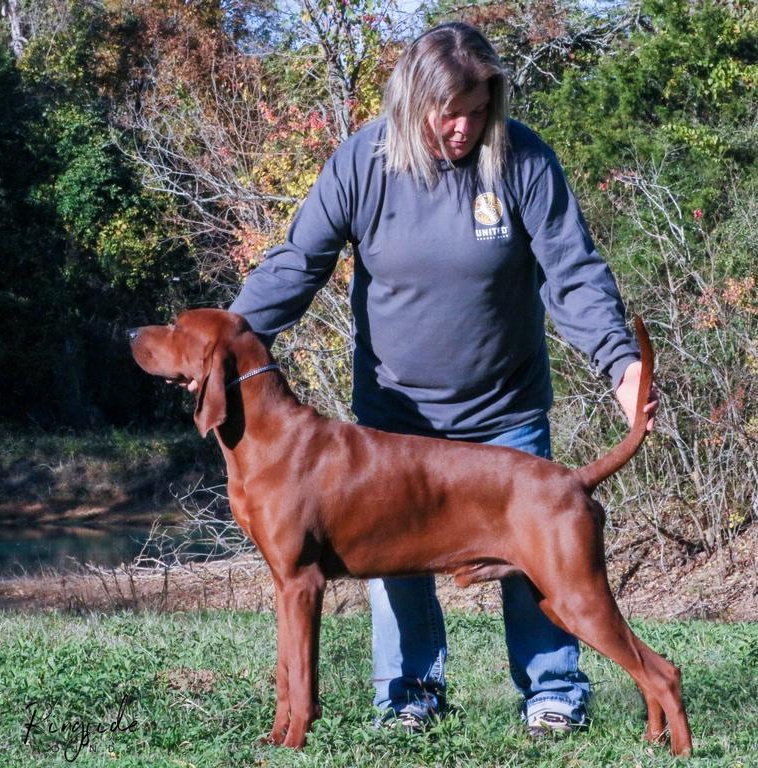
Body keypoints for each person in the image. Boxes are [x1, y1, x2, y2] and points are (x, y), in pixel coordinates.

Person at [229, 21, 656, 737]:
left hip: (503, 407)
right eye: (448, 112)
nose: (463, 128)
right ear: (410, 104)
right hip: (395, 413)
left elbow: (572, 272)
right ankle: (409, 695)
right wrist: (227, 343)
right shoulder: (363, 161)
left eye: (479, 109)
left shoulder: (520, 160)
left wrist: (621, 362)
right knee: (395, 567)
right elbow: (296, 264)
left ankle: (552, 693)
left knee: (533, 553)